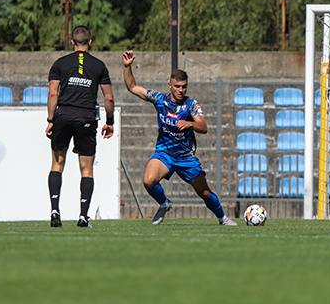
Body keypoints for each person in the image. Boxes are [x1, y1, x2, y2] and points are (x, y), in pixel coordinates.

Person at [122, 50, 237, 226]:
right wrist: (127, 66)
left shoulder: (191, 105)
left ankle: (223, 218)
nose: (181, 90)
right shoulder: (159, 99)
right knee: (148, 180)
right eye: (177, 86)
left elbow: (204, 127)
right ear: (170, 86)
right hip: (164, 153)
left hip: (186, 157)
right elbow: (132, 87)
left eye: (184, 86)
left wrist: (190, 124)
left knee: (204, 193)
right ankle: (164, 203)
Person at [47, 25, 115, 228]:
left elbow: (53, 93)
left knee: (57, 164)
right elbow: (109, 97)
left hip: (63, 115)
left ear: (72, 42)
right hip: (86, 116)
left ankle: (54, 211)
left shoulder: (60, 63)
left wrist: (51, 120)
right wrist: (109, 122)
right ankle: (83, 216)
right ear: (90, 42)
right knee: (86, 170)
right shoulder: (99, 66)